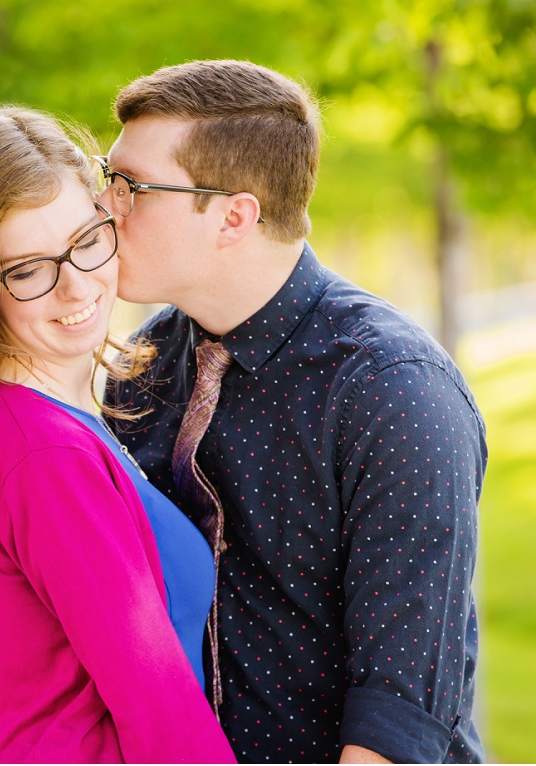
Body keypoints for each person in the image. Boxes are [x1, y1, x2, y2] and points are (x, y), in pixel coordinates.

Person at [100, 60, 486, 764]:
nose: (106, 206)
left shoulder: (393, 389)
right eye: (108, 176)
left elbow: (400, 718)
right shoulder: (139, 370)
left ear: (234, 216)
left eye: (134, 188)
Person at [0, 106, 235, 763]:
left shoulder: (1, 419)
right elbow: (162, 717)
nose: (76, 283)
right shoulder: (42, 453)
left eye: (86, 239)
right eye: (27, 268)